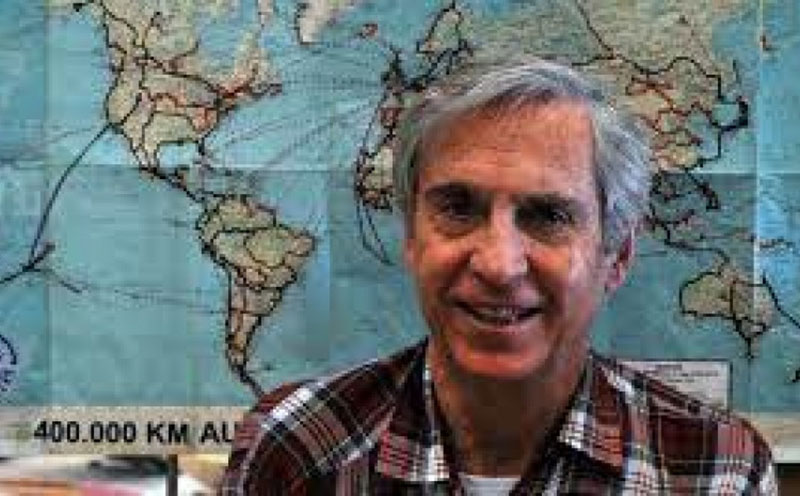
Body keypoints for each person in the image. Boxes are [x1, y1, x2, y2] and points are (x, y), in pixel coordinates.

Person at [220, 60, 776, 495]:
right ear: (411, 236)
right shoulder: (297, 449)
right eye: (458, 208)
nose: (499, 264)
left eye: (548, 215)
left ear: (617, 256)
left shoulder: (712, 470)